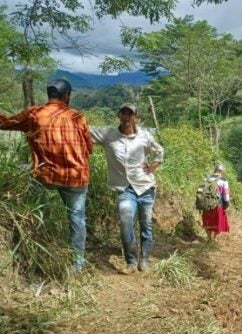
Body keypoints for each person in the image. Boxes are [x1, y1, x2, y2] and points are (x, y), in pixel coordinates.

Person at [0, 79, 93, 272]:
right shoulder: (78, 117)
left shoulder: (34, 114)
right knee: (77, 218)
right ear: (67, 95)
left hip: (46, 175)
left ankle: (38, 245)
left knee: (28, 184)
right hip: (76, 176)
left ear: (49, 94)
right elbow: (89, 148)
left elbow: (6, 124)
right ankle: (77, 265)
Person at [90, 103, 164, 274]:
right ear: (118, 115)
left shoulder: (144, 136)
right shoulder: (108, 135)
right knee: (125, 221)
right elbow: (85, 130)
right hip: (124, 189)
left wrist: (154, 165)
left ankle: (144, 260)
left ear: (135, 117)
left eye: (130, 114)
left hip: (145, 187)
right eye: (123, 113)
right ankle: (131, 261)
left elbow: (159, 150)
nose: (126, 117)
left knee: (146, 224)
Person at [202, 163, 231, 242]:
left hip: (207, 204)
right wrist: (227, 204)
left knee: (208, 221)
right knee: (217, 222)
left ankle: (209, 238)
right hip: (218, 204)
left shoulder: (206, 178)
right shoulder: (223, 180)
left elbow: (201, 191)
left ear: (215, 170)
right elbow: (226, 194)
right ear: (222, 171)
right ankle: (214, 239)